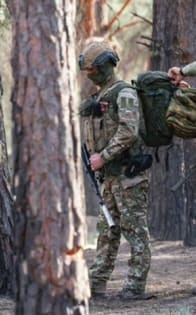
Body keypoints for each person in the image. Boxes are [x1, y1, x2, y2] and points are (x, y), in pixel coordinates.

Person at [78, 41, 151, 299]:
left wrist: (103, 156)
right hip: (109, 177)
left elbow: (129, 132)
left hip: (129, 175)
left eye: (92, 70)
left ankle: (135, 285)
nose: (90, 75)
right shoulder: (99, 97)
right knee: (107, 232)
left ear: (105, 66)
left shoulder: (124, 93)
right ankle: (96, 282)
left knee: (134, 229)